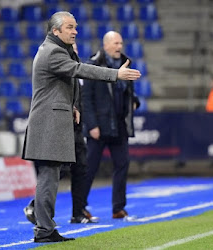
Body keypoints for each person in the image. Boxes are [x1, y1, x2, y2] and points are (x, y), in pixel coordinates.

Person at [21, 12, 141, 243]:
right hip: (48, 124)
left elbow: (69, 80)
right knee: (49, 176)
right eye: (69, 27)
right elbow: (81, 71)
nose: (75, 31)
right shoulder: (52, 52)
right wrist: (116, 74)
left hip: (54, 122)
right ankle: (44, 229)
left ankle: (44, 226)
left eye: (75, 27)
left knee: (53, 175)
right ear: (55, 31)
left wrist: (74, 105)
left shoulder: (59, 51)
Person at [23, 43, 98, 226]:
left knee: (81, 169)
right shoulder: (59, 66)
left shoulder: (78, 70)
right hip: (59, 128)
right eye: (71, 49)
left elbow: (83, 99)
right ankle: (37, 207)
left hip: (77, 128)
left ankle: (78, 212)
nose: (75, 52)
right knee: (59, 170)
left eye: (77, 49)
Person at [81, 31, 140, 219]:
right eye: (115, 43)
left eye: (121, 43)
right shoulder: (93, 64)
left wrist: (134, 102)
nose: (119, 47)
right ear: (105, 45)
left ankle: (118, 208)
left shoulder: (126, 63)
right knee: (89, 167)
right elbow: (86, 98)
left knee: (122, 164)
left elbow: (129, 92)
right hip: (99, 125)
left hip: (119, 124)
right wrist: (91, 125)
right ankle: (79, 207)